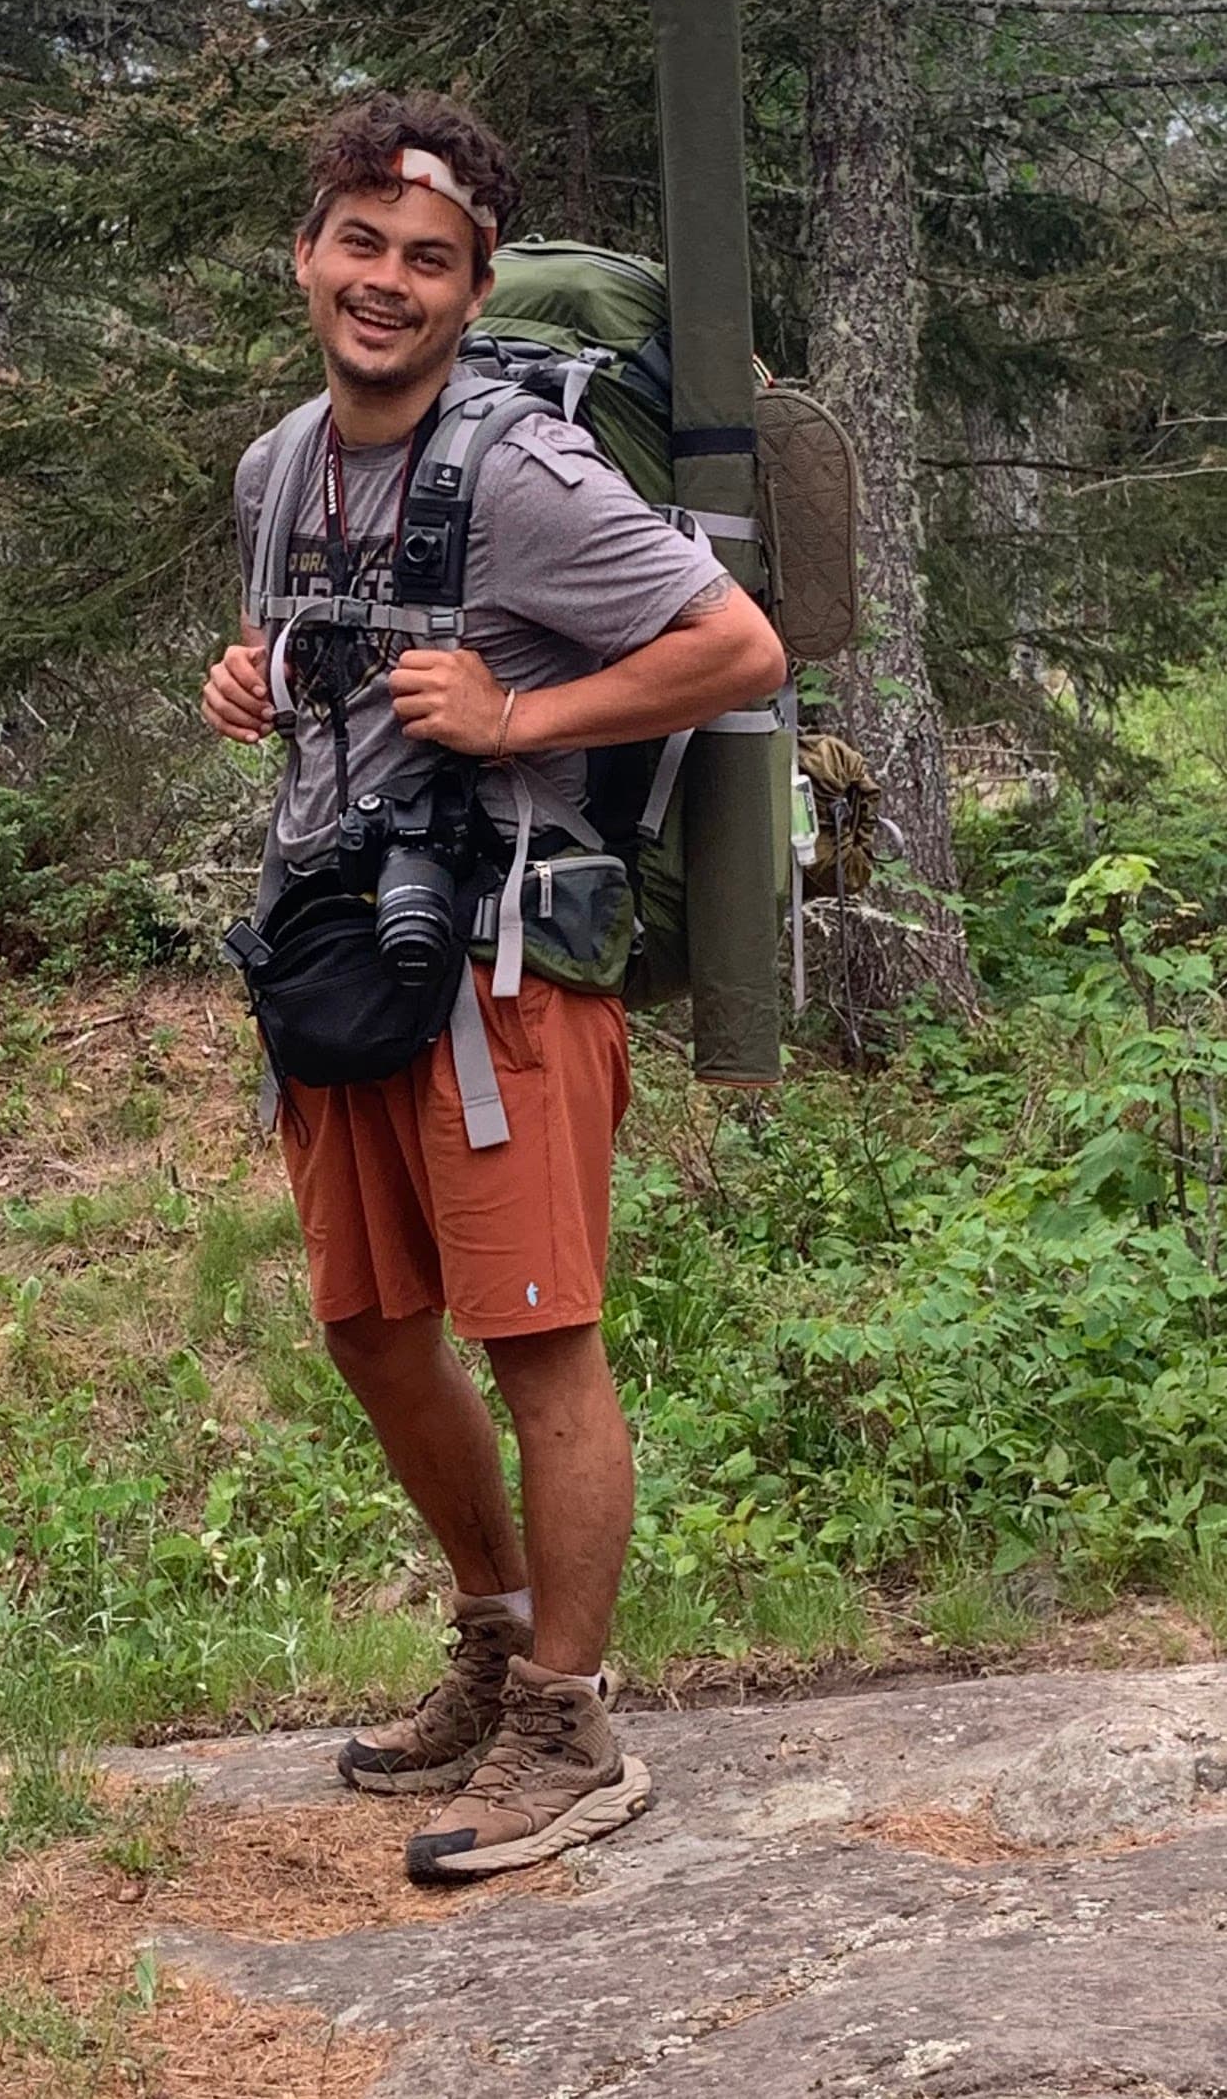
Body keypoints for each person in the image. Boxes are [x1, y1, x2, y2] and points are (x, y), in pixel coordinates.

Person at [202, 90, 785, 1882]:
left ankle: (571, 1724)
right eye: (359, 244)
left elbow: (732, 643)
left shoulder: (522, 471)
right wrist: (261, 686)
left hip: (509, 966)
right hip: (342, 953)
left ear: (472, 291)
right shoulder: (281, 463)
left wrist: (522, 716)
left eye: (427, 260)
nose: (384, 282)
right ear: (307, 252)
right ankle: (491, 1640)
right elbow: (334, 670)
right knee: (374, 1328)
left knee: (536, 1337)